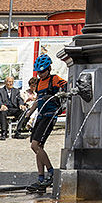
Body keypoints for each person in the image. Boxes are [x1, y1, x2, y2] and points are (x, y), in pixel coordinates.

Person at [25, 54, 67, 193]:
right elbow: (38, 100)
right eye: (38, 72)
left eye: (42, 71)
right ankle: (41, 179)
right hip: (41, 116)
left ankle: (52, 174)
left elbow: (67, 86)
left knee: (35, 145)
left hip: (49, 116)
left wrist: (59, 97)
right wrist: (28, 114)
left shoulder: (54, 79)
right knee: (39, 147)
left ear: (49, 69)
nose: (40, 74)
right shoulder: (39, 83)